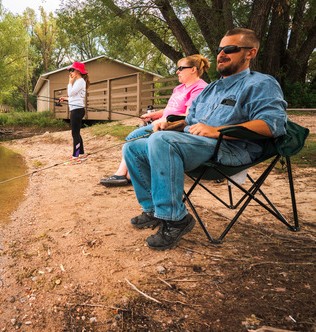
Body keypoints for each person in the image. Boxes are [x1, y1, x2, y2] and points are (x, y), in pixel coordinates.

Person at [124, 28, 287, 250]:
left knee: (161, 141)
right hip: (196, 144)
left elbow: (272, 124)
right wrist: (170, 124)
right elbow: (190, 120)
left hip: (231, 148)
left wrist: (218, 131)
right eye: (220, 49)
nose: (221, 54)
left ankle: (175, 219)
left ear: (250, 53)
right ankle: (153, 209)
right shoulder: (211, 88)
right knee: (134, 145)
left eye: (230, 49)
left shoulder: (260, 83)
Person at [100, 54, 210, 186]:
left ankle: (121, 174)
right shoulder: (179, 88)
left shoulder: (200, 88)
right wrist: (153, 116)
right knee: (137, 137)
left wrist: (165, 122)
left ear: (193, 69)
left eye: (181, 68)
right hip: (162, 123)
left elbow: (188, 117)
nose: (177, 72)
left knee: (133, 136)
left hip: (175, 128)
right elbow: (169, 109)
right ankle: (129, 175)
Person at [59, 61, 90, 163]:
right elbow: (74, 97)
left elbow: (71, 92)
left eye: (72, 70)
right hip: (77, 109)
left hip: (77, 110)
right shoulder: (79, 82)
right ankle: (81, 154)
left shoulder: (80, 81)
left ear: (77, 71)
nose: (71, 72)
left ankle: (75, 157)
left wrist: (69, 83)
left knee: (75, 134)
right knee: (77, 133)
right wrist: (66, 98)